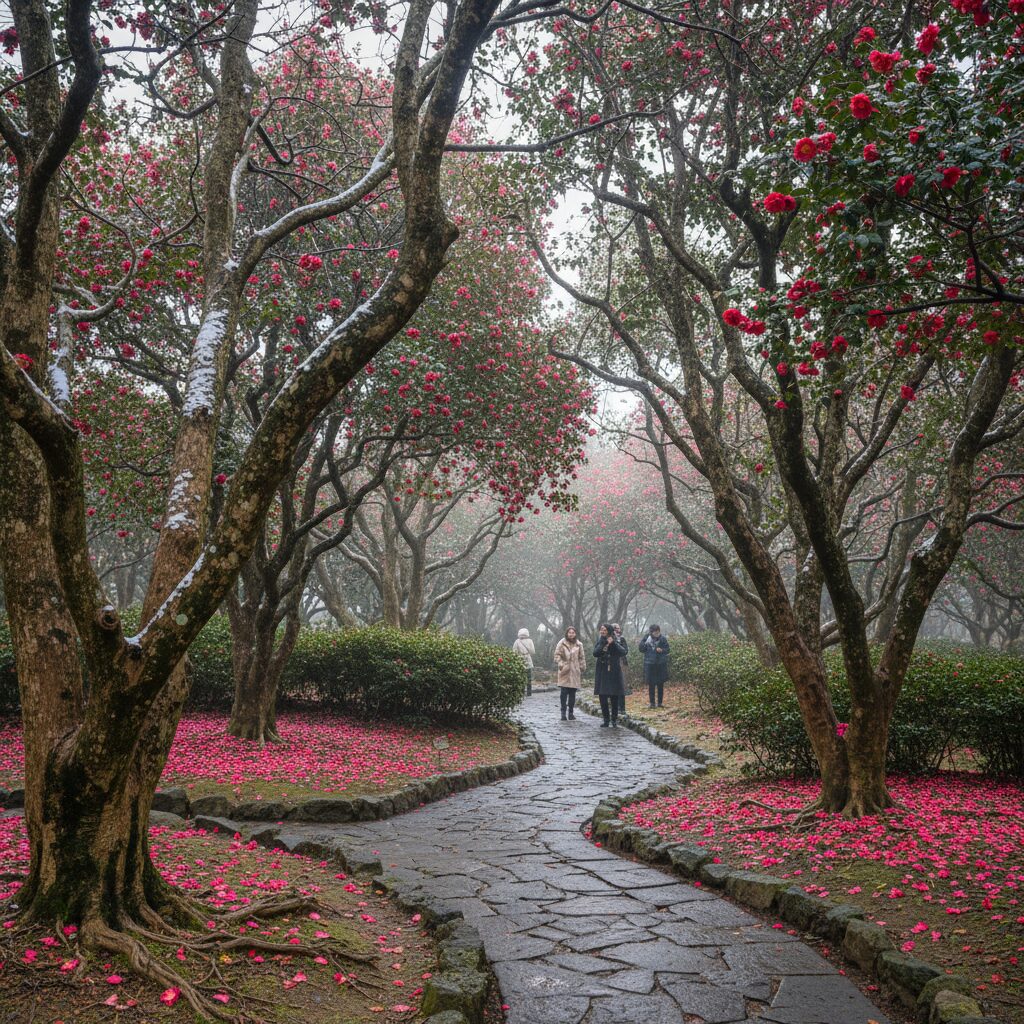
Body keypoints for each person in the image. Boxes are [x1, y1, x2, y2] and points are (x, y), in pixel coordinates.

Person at [593, 623, 627, 728]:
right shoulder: (600, 640)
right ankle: (606, 720)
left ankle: (614, 719)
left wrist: (613, 643)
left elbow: (623, 651)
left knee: (614, 696)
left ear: (609, 630)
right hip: (602, 670)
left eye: (604, 629)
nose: (602, 631)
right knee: (602, 696)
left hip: (614, 671)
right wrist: (604, 644)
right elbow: (595, 653)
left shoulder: (617, 639)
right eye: (601, 629)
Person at [553, 626, 586, 720]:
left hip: (575, 671)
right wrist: (561, 663)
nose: (571, 634)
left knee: (572, 693)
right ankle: (563, 712)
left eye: (573, 633)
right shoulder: (562, 643)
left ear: (575, 634)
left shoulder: (579, 644)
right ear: (567, 633)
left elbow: (581, 657)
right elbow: (556, 655)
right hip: (564, 671)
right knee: (563, 692)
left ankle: (571, 712)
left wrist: (582, 666)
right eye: (569, 632)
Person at [639, 624, 670, 707]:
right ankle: (652, 703)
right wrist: (645, 644)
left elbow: (667, 649)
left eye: (658, 631)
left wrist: (662, 650)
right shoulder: (646, 638)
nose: (657, 633)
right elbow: (641, 649)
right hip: (650, 664)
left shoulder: (663, 639)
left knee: (660, 684)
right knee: (651, 684)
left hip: (660, 664)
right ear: (651, 632)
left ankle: (660, 703)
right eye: (655, 632)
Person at [512, 628, 536, 696]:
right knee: (528, 677)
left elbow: (514, 652)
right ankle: (529, 692)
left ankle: (521, 692)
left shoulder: (517, 641)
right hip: (527, 659)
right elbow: (533, 651)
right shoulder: (530, 641)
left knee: (521, 676)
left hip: (520, 660)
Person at [612, 623, 629, 716]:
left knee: (622, 686)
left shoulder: (622, 639)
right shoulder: (609, 639)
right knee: (613, 687)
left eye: (618, 628)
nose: (617, 630)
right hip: (612, 665)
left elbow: (625, 651)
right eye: (615, 628)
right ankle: (615, 707)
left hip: (622, 664)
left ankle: (622, 708)